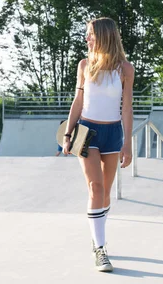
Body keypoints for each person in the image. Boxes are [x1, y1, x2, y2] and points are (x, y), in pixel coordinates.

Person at [62, 17, 134, 273]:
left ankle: (97, 237)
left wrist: (128, 144)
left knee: (105, 193)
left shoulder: (125, 69)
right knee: (95, 186)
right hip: (85, 131)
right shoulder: (84, 65)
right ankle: (101, 250)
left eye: (91, 34)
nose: (87, 38)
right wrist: (68, 134)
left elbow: (127, 108)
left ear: (104, 36)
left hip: (113, 132)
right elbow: (77, 102)